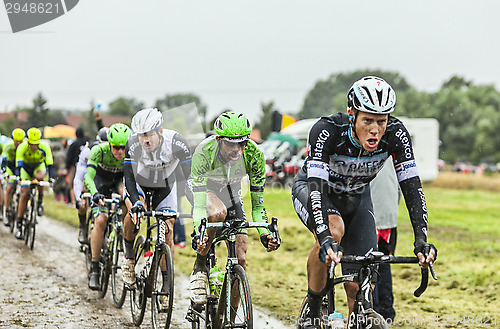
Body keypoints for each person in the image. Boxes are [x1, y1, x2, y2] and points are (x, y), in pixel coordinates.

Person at [291, 76, 437, 328]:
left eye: (381, 121)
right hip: (316, 190)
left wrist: (421, 239)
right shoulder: (327, 130)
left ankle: (358, 317)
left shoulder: (396, 134)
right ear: (352, 114)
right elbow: (315, 187)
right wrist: (325, 237)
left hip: (357, 197)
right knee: (334, 230)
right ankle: (313, 306)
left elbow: (412, 188)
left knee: (358, 280)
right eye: (367, 120)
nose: (375, 129)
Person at [189, 111, 279, 305]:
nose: (237, 149)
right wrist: (199, 232)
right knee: (218, 212)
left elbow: (257, 205)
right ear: (219, 140)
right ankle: (199, 266)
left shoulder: (255, 155)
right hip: (205, 191)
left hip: (232, 192)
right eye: (230, 143)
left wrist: (265, 234)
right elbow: (198, 206)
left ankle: (229, 315)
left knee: (241, 258)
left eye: (242, 143)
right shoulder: (204, 152)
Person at [121, 108, 193, 296]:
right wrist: (136, 202)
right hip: (139, 184)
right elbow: (128, 178)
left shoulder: (177, 143)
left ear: (160, 131)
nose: (145, 140)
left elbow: (190, 179)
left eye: (150, 135)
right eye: (141, 135)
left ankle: (167, 282)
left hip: (165, 186)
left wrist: (197, 205)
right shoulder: (133, 145)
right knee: (134, 213)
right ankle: (129, 257)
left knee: (168, 229)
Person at [84, 123, 131, 290]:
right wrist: (95, 194)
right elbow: (88, 177)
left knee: (128, 198)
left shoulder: (132, 153)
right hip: (100, 184)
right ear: (109, 144)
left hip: (119, 183)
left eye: (123, 148)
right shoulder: (98, 151)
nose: (120, 152)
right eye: (116, 147)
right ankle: (95, 268)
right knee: (101, 221)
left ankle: (124, 238)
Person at [371, 158, 400, 322]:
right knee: (385, 263)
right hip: (389, 218)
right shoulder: (393, 153)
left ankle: (373, 308)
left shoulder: (365, 155)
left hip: (371, 217)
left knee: (369, 264)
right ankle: (387, 309)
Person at [14, 127, 54, 239]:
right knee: (24, 193)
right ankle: (19, 223)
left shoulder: (44, 147)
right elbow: (18, 166)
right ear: (28, 141)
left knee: (40, 177)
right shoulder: (22, 147)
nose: (34, 146)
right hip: (25, 169)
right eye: (32, 144)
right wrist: (19, 178)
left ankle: (40, 201)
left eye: (36, 144)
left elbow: (50, 165)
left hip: (38, 167)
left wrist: (51, 179)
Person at [74, 127, 109, 244]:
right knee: (83, 203)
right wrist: (79, 195)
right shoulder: (88, 151)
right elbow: (80, 175)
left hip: (103, 180)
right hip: (88, 176)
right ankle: (83, 226)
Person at [1, 128, 26, 226]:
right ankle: (7, 211)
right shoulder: (8, 146)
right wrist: (4, 172)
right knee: (9, 187)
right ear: (13, 140)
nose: (18, 144)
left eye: (20, 142)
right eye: (16, 142)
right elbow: (4, 161)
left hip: (21, 168)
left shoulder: (25, 147)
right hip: (10, 167)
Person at [65, 128, 87, 206]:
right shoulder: (86, 143)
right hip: (86, 166)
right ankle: (85, 202)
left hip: (74, 166)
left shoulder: (74, 144)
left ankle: (74, 201)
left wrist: (67, 167)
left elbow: (69, 157)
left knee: (72, 184)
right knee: (85, 184)